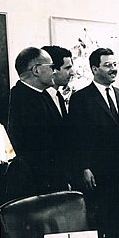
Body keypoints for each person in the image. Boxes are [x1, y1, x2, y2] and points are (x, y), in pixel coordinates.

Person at [68, 48, 119, 238]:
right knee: (99, 224)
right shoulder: (80, 98)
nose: (113, 69)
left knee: (118, 221)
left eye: (115, 64)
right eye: (108, 65)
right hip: (97, 173)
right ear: (94, 69)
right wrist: (84, 167)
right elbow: (75, 139)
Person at [7, 47, 68, 197]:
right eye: (51, 67)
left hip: (54, 180)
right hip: (33, 187)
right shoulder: (14, 101)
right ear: (36, 70)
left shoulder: (44, 95)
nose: (54, 71)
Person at [41, 45, 75, 186]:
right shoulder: (39, 99)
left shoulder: (58, 96)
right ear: (53, 70)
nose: (72, 72)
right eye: (67, 68)